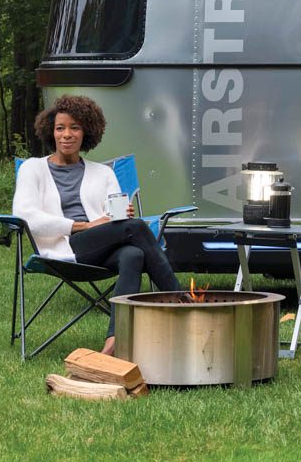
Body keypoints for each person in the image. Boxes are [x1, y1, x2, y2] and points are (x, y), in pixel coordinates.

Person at [11, 94, 181, 355]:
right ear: (51, 132)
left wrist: (120, 215)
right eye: (60, 128)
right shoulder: (32, 169)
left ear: (87, 131)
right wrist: (84, 226)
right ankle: (181, 302)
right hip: (61, 250)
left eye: (75, 127)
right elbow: (27, 216)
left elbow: (111, 218)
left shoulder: (104, 173)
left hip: (100, 250)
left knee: (133, 253)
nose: (67, 134)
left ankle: (115, 340)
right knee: (135, 228)